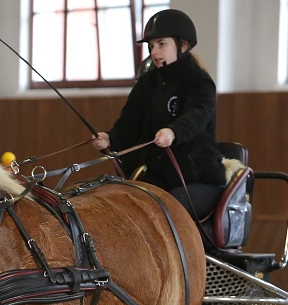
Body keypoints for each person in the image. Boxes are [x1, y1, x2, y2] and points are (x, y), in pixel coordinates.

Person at [92, 9, 225, 221]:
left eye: (161, 44)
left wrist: (173, 132)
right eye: (151, 46)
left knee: (169, 209)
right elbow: (129, 124)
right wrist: (110, 137)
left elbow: (197, 115)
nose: (154, 51)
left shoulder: (199, 81)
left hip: (200, 181)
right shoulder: (147, 84)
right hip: (158, 179)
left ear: (183, 46)